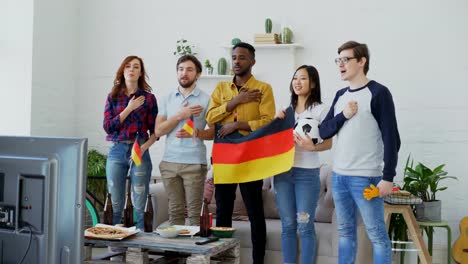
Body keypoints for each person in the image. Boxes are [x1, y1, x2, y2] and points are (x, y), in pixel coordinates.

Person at [319, 41, 400, 264]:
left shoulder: (379, 93)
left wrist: (388, 177)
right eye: (338, 60)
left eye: (346, 59)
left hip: (366, 179)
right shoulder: (340, 95)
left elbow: (391, 137)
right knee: (345, 233)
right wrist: (344, 115)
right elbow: (324, 130)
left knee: (377, 236)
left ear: (362, 61)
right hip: (339, 177)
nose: (341, 65)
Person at [206, 42, 276, 264]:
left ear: (252, 61)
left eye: (242, 57)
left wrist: (239, 125)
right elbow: (210, 118)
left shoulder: (263, 89)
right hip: (225, 156)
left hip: (251, 155)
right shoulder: (220, 89)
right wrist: (235, 102)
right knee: (223, 211)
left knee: (255, 211)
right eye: (234, 57)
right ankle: (221, 258)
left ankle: (258, 261)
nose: (237, 61)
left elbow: (267, 123)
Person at [274, 65, 332, 264]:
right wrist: (276, 123)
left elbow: (329, 142)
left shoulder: (321, 110)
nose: (297, 82)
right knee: (288, 225)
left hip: (307, 174)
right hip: (282, 173)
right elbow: (274, 141)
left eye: (303, 78)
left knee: (305, 225)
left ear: (313, 83)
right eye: (295, 78)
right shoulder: (285, 110)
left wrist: (312, 147)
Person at [155, 55, 213, 226]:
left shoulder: (206, 100)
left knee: (195, 214)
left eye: (189, 69)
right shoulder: (167, 98)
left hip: (194, 163)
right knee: (175, 212)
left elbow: (215, 132)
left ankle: (195, 253)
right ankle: (176, 253)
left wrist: (197, 133)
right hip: (169, 162)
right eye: (180, 69)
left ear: (198, 74)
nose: (184, 73)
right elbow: (159, 130)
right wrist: (180, 115)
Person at [103, 55, 158, 229]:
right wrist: (129, 108)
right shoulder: (113, 97)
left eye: (136, 67)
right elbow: (108, 127)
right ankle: (115, 246)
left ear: (141, 72)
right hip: (117, 151)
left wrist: (144, 148)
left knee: (140, 202)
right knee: (116, 201)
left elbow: (156, 131)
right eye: (128, 66)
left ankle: (141, 245)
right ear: (123, 71)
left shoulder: (149, 99)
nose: (132, 70)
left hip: (139, 149)